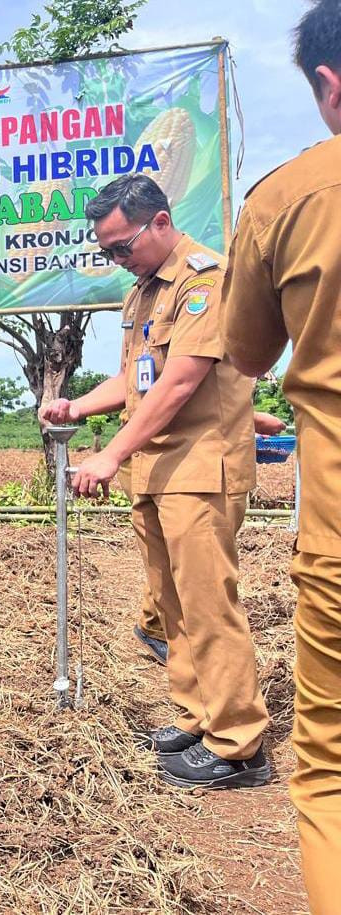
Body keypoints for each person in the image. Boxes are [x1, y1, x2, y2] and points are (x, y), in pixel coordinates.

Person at [41, 173, 270, 789]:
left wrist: (109, 455)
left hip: (201, 466)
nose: (116, 260)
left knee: (206, 602)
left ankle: (239, 743)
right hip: (159, 467)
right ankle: (198, 716)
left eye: (123, 246)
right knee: (171, 604)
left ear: (160, 223)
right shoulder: (143, 293)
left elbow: (179, 382)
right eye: (106, 251)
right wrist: (77, 406)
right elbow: (138, 379)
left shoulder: (205, 280)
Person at [219, 2, 341, 907]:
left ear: (329, 86)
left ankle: (230, 737)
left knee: (331, 769)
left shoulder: (290, 196)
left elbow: (246, 355)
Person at [129, 410, 289, 665]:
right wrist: (253, 419)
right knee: (200, 578)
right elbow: (183, 387)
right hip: (189, 464)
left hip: (180, 458)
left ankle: (173, 643)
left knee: (181, 565)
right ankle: (199, 661)